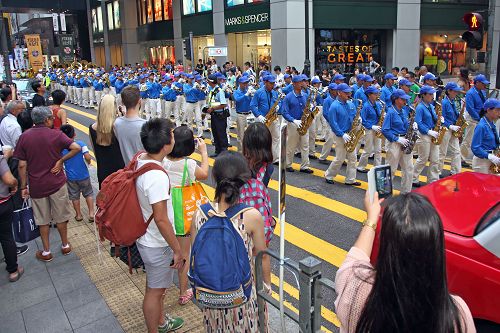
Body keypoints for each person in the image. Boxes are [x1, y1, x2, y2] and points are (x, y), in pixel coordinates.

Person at [335, 191, 476, 332]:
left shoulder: (356, 291)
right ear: (436, 248)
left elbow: (355, 258)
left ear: (386, 246)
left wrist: (372, 218)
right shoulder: (457, 315)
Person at [191, 151, 268, 332]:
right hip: (242, 297)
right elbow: (262, 256)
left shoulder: (199, 214)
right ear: (244, 180)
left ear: (214, 177)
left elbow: (194, 256)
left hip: (210, 296)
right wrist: (267, 285)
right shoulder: (251, 216)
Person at [135, 118, 185, 333]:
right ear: (165, 145)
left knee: (157, 288)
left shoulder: (141, 159)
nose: (174, 138)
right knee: (154, 292)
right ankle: (155, 329)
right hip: (156, 242)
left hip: (147, 237)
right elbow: (161, 218)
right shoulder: (156, 177)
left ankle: (162, 321)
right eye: (172, 135)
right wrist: (177, 249)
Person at [14, 107, 80, 262]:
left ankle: (46, 251)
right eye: (51, 118)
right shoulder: (56, 134)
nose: (52, 119)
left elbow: (22, 165)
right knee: (61, 216)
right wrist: (61, 160)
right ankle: (65, 245)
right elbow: (76, 148)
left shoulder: (24, 137)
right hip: (56, 182)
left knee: (42, 219)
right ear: (46, 120)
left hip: (37, 185)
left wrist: (24, 187)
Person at [163, 126, 209, 306]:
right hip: (183, 213)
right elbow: (204, 174)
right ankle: (183, 292)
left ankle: (163, 287)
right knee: (183, 253)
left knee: (168, 250)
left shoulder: (163, 161)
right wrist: (204, 152)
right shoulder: (188, 164)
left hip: (166, 211)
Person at [324, 83, 361, 186]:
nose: (349, 94)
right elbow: (333, 123)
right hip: (340, 135)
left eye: (349, 92)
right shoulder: (334, 106)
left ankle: (350, 179)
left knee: (353, 157)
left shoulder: (351, 104)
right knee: (340, 158)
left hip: (350, 133)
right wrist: (341, 134)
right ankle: (329, 175)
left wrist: (358, 120)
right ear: (339, 93)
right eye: (346, 92)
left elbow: (353, 116)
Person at [382, 89, 414, 194]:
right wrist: (396, 138)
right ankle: (384, 192)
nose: (405, 101)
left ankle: (406, 192)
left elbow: (405, 126)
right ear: (396, 100)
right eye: (403, 99)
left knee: (409, 168)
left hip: (405, 140)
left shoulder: (404, 111)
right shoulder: (391, 112)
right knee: (391, 169)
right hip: (394, 142)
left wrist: (411, 125)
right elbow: (385, 130)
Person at [60, 124, 94, 223]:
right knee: (88, 193)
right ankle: (91, 213)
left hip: (71, 177)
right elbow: (87, 157)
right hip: (83, 175)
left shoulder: (61, 148)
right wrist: (88, 162)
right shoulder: (81, 144)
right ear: (74, 134)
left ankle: (78, 215)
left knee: (74, 196)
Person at [89, 95, 125, 188]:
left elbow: (95, 152)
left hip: (103, 172)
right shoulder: (118, 127)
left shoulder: (92, 128)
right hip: (120, 172)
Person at [281, 75, 313, 174]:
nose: (302, 84)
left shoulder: (305, 95)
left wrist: (311, 108)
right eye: (300, 82)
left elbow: (307, 107)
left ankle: (305, 166)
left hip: (304, 123)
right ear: (294, 84)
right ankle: (288, 164)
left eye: (302, 82)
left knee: (305, 145)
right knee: (291, 145)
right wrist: (293, 120)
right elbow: (284, 112)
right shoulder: (288, 97)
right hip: (293, 124)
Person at [0, 154, 24, 282]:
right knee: (6, 236)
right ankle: (13, 271)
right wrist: (15, 184)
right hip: (2, 204)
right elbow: (9, 180)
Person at [413, 85, 440, 187]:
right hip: (424, 134)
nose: (432, 96)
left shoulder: (430, 106)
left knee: (435, 158)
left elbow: (433, 118)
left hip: (433, 133)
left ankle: (433, 179)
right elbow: (418, 123)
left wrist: (438, 119)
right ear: (423, 95)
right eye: (430, 94)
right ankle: (413, 177)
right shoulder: (420, 107)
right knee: (423, 158)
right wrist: (428, 131)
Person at [461, 74, 489, 167]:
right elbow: (470, 108)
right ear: (477, 83)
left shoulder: (482, 92)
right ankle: (462, 158)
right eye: (483, 83)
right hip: (472, 119)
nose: (485, 86)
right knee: (468, 140)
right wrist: (478, 118)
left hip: (480, 118)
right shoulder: (470, 93)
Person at [114, 86, 147, 164]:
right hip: (142, 168)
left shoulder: (117, 123)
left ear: (122, 102)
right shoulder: (146, 125)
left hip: (126, 168)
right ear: (140, 101)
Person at [439, 82, 463, 176]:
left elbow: (456, 114)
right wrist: (450, 126)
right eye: (455, 91)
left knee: (456, 151)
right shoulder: (444, 103)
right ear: (449, 91)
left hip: (454, 128)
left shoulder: (452, 102)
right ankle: (437, 171)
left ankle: (456, 171)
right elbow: (441, 118)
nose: (456, 93)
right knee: (442, 152)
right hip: (446, 129)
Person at [357, 86, 383, 172]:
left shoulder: (378, 104)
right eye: (375, 94)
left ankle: (377, 167)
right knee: (368, 150)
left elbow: (380, 115)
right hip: (369, 129)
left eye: (377, 93)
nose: (377, 95)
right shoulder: (366, 106)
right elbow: (363, 120)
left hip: (377, 128)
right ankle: (361, 166)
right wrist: (372, 126)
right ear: (369, 95)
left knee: (378, 150)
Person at [471, 98, 500, 174]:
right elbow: (475, 147)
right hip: (482, 162)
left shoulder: (491, 124)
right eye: (497, 110)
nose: (499, 113)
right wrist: (489, 156)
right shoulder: (481, 126)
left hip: (491, 159)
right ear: (488, 110)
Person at [205, 73, 229, 157]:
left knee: (221, 134)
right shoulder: (212, 90)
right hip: (214, 115)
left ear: (211, 82)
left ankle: (224, 152)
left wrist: (213, 108)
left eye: (208, 81)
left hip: (220, 115)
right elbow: (212, 102)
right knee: (215, 133)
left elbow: (223, 104)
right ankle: (218, 150)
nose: (207, 82)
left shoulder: (219, 91)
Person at [233, 76, 253, 151]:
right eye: (244, 83)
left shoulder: (248, 90)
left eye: (247, 83)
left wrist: (251, 94)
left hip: (249, 114)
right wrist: (245, 95)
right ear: (240, 83)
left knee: (250, 134)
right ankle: (241, 152)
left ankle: (249, 151)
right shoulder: (237, 92)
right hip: (240, 114)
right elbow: (237, 100)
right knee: (241, 135)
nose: (246, 85)